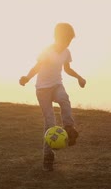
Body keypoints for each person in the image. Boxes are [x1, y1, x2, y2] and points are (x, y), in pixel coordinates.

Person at [19, 23, 86, 171]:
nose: (67, 44)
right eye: (65, 40)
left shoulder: (66, 52)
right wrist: (27, 78)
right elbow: (37, 67)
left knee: (64, 99)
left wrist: (79, 78)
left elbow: (67, 69)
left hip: (56, 85)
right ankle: (48, 159)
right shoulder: (47, 51)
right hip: (42, 90)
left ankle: (69, 127)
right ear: (57, 38)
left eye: (69, 41)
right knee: (50, 124)